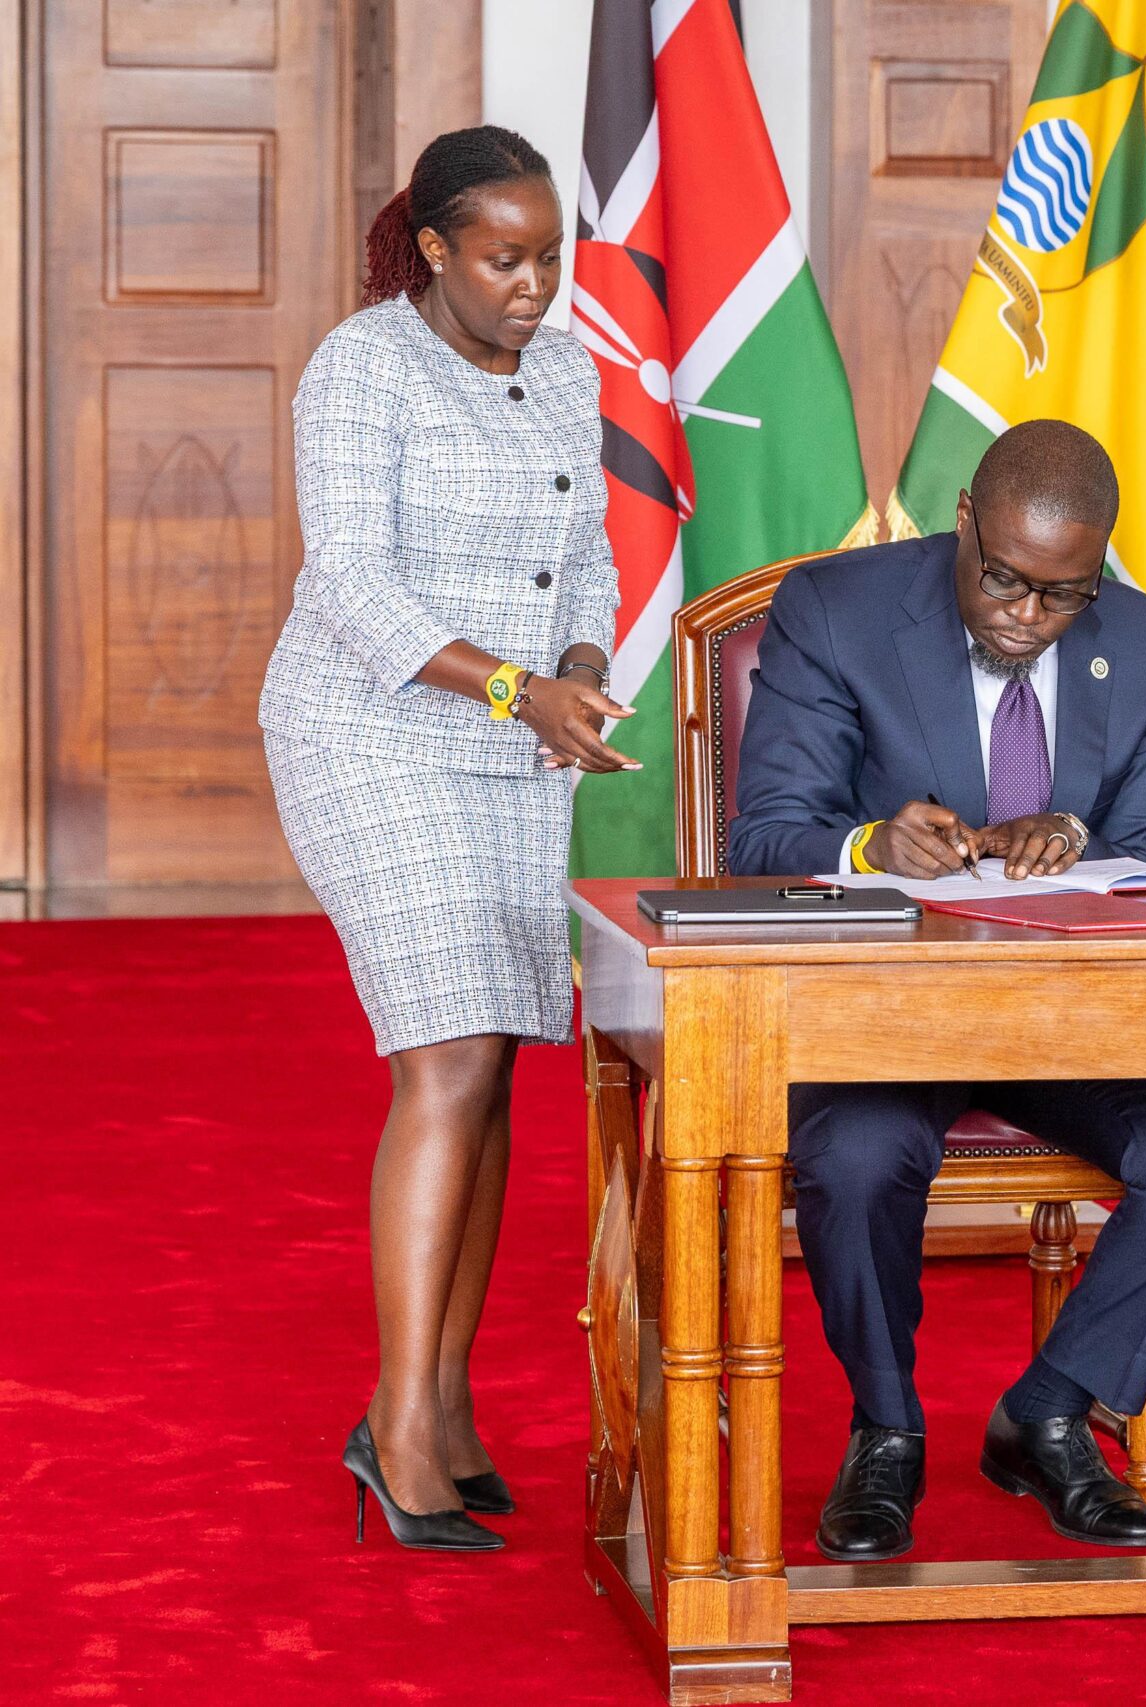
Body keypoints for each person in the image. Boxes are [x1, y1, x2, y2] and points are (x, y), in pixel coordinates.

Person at [727, 420, 1146, 1559]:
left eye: (1063, 594)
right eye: (1006, 581)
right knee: (857, 1156)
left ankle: (1048, 1411)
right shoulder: (837, 610)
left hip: (1066, 1019)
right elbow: (761, 839)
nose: (1027, 616)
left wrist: (1074, 834)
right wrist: (871, 847)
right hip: (884, 1018)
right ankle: (887, 1428)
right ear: (966, 519)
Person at [261, 127, 633, 1552]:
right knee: (452, 1053)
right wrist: (516, 686)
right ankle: (398, 1425)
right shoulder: (363, 368)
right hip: (370, 735)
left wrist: (580, 667)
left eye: (550, 259)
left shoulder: (567, 370)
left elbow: (587, 554)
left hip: (513, 747)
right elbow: (351, 585)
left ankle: (443, 1403)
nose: (534, 286)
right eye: (504, 260)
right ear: (433, 249)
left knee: (495, 1070)